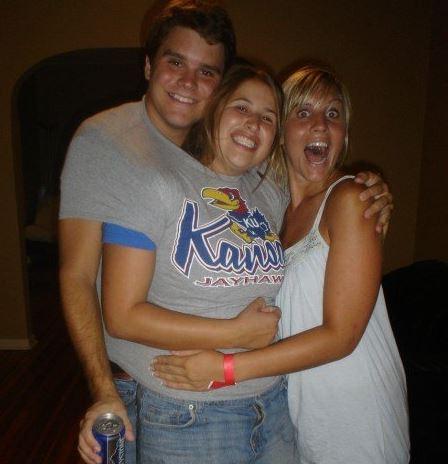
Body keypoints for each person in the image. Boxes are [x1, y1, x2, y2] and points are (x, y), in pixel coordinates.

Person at [58, 1, 392, 463]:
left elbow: (315, 213)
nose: (188, 82)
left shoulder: (266, 192)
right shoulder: (134, 163)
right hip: (187, 408)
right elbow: (100, 296)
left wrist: (368, 190)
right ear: (150, 64)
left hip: (273, 404)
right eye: (175, 61)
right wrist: (229, 337)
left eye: (268, 116)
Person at [152, 65, 410, 463]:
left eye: (334, 114)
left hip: (358, 409)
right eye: (303, 113)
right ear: (280, 132)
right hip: (300, 412)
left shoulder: (350, 199)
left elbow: (342, 336)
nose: (321, 126)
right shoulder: (275, 211)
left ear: (344, 134)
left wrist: (225, 369)